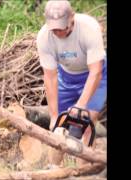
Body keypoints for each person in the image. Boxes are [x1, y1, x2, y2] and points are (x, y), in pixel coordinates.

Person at [36, 0, 107, 166]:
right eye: (55, 29)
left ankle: (82, 172)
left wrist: (80, 105)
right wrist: (53, 116)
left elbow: (96, 71)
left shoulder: (89, 28)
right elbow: (50, 77)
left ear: (72, 17)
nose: (59, 32)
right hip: (67, 77)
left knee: (86, 124)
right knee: (58, 129)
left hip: (95, 75)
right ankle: (53, 171)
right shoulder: (44, 37)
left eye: (62, 27)